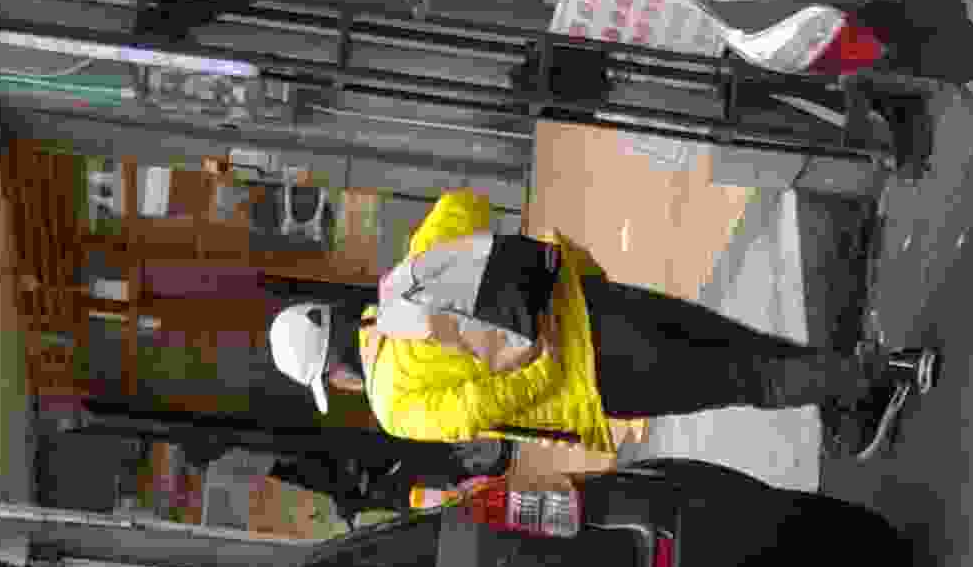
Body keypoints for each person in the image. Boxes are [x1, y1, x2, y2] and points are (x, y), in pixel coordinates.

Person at [265, 189, 933, 454]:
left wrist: (540, 362)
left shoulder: (392, 404)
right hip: (593, 303)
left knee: (745, 379)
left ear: (336, 376)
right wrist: (421, 266)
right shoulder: (399, 287)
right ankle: (852, 382)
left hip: (595, 378)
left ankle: (879, 375)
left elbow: (478, 409)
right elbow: (464, 205)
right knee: (736, 342)